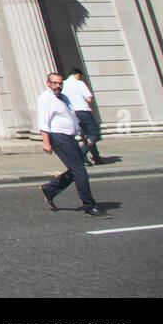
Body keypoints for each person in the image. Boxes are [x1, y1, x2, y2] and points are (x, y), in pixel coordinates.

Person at [38, 73, 110, 218]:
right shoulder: (45, 98)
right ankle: (89, 206)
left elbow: (71, 116)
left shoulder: (63, 98)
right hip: (58, 137)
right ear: (48, 83)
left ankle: (50, 189)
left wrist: (80, 133)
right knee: (80, 171)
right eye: (54, 83)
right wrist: (46, 142)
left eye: (60, 83)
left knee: (76, 169)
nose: (58, 86)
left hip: (70, 137)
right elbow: (43, 121)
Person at [63, 68, 103, 164]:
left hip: (72, 112)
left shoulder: (63, 84)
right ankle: (81, 153)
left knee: (86, 135)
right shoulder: (79, 83)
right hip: (82, 111)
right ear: (77, 75)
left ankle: (96, 156)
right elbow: (88, 98)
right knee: (94, 133)